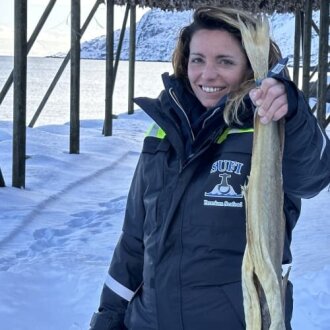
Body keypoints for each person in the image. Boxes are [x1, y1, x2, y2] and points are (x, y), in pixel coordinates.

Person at [89, 6, 330, 330]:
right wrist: (107, 319)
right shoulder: (163, 131)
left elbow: (312, 175)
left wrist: (294, 112)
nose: (208, 74)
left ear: (249, 65)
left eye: (225, 61)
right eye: (198, 59)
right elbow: (134, 242)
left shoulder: (269, 128)